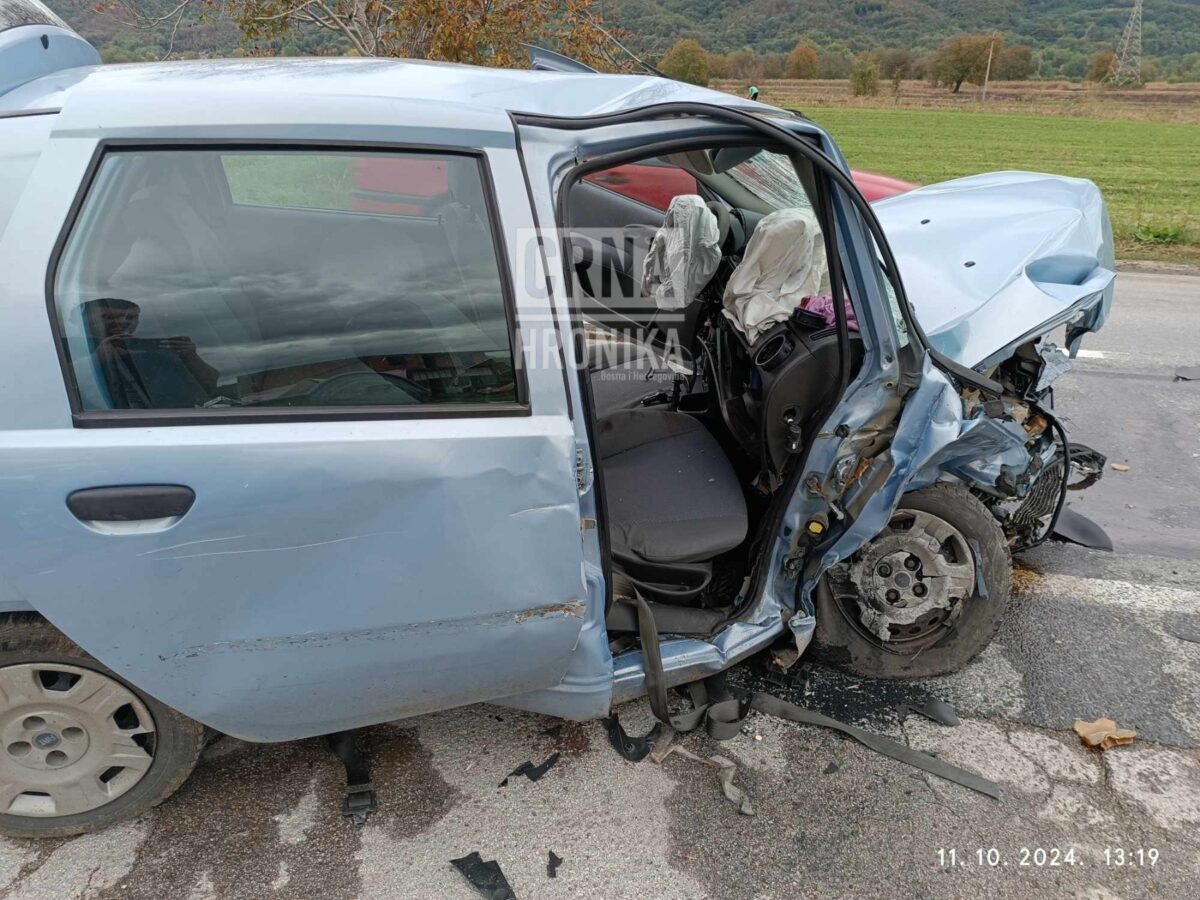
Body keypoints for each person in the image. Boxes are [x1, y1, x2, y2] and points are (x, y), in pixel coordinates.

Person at [80, 297, 218, 409]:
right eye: (108, 317)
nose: (122, 322)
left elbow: (209, 387)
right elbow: (63, 392)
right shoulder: (68, 349)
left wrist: (191, 357)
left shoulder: (158, 351)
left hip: (173, 423)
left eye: (130, 317)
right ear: (84, 321)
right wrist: (96, 358)